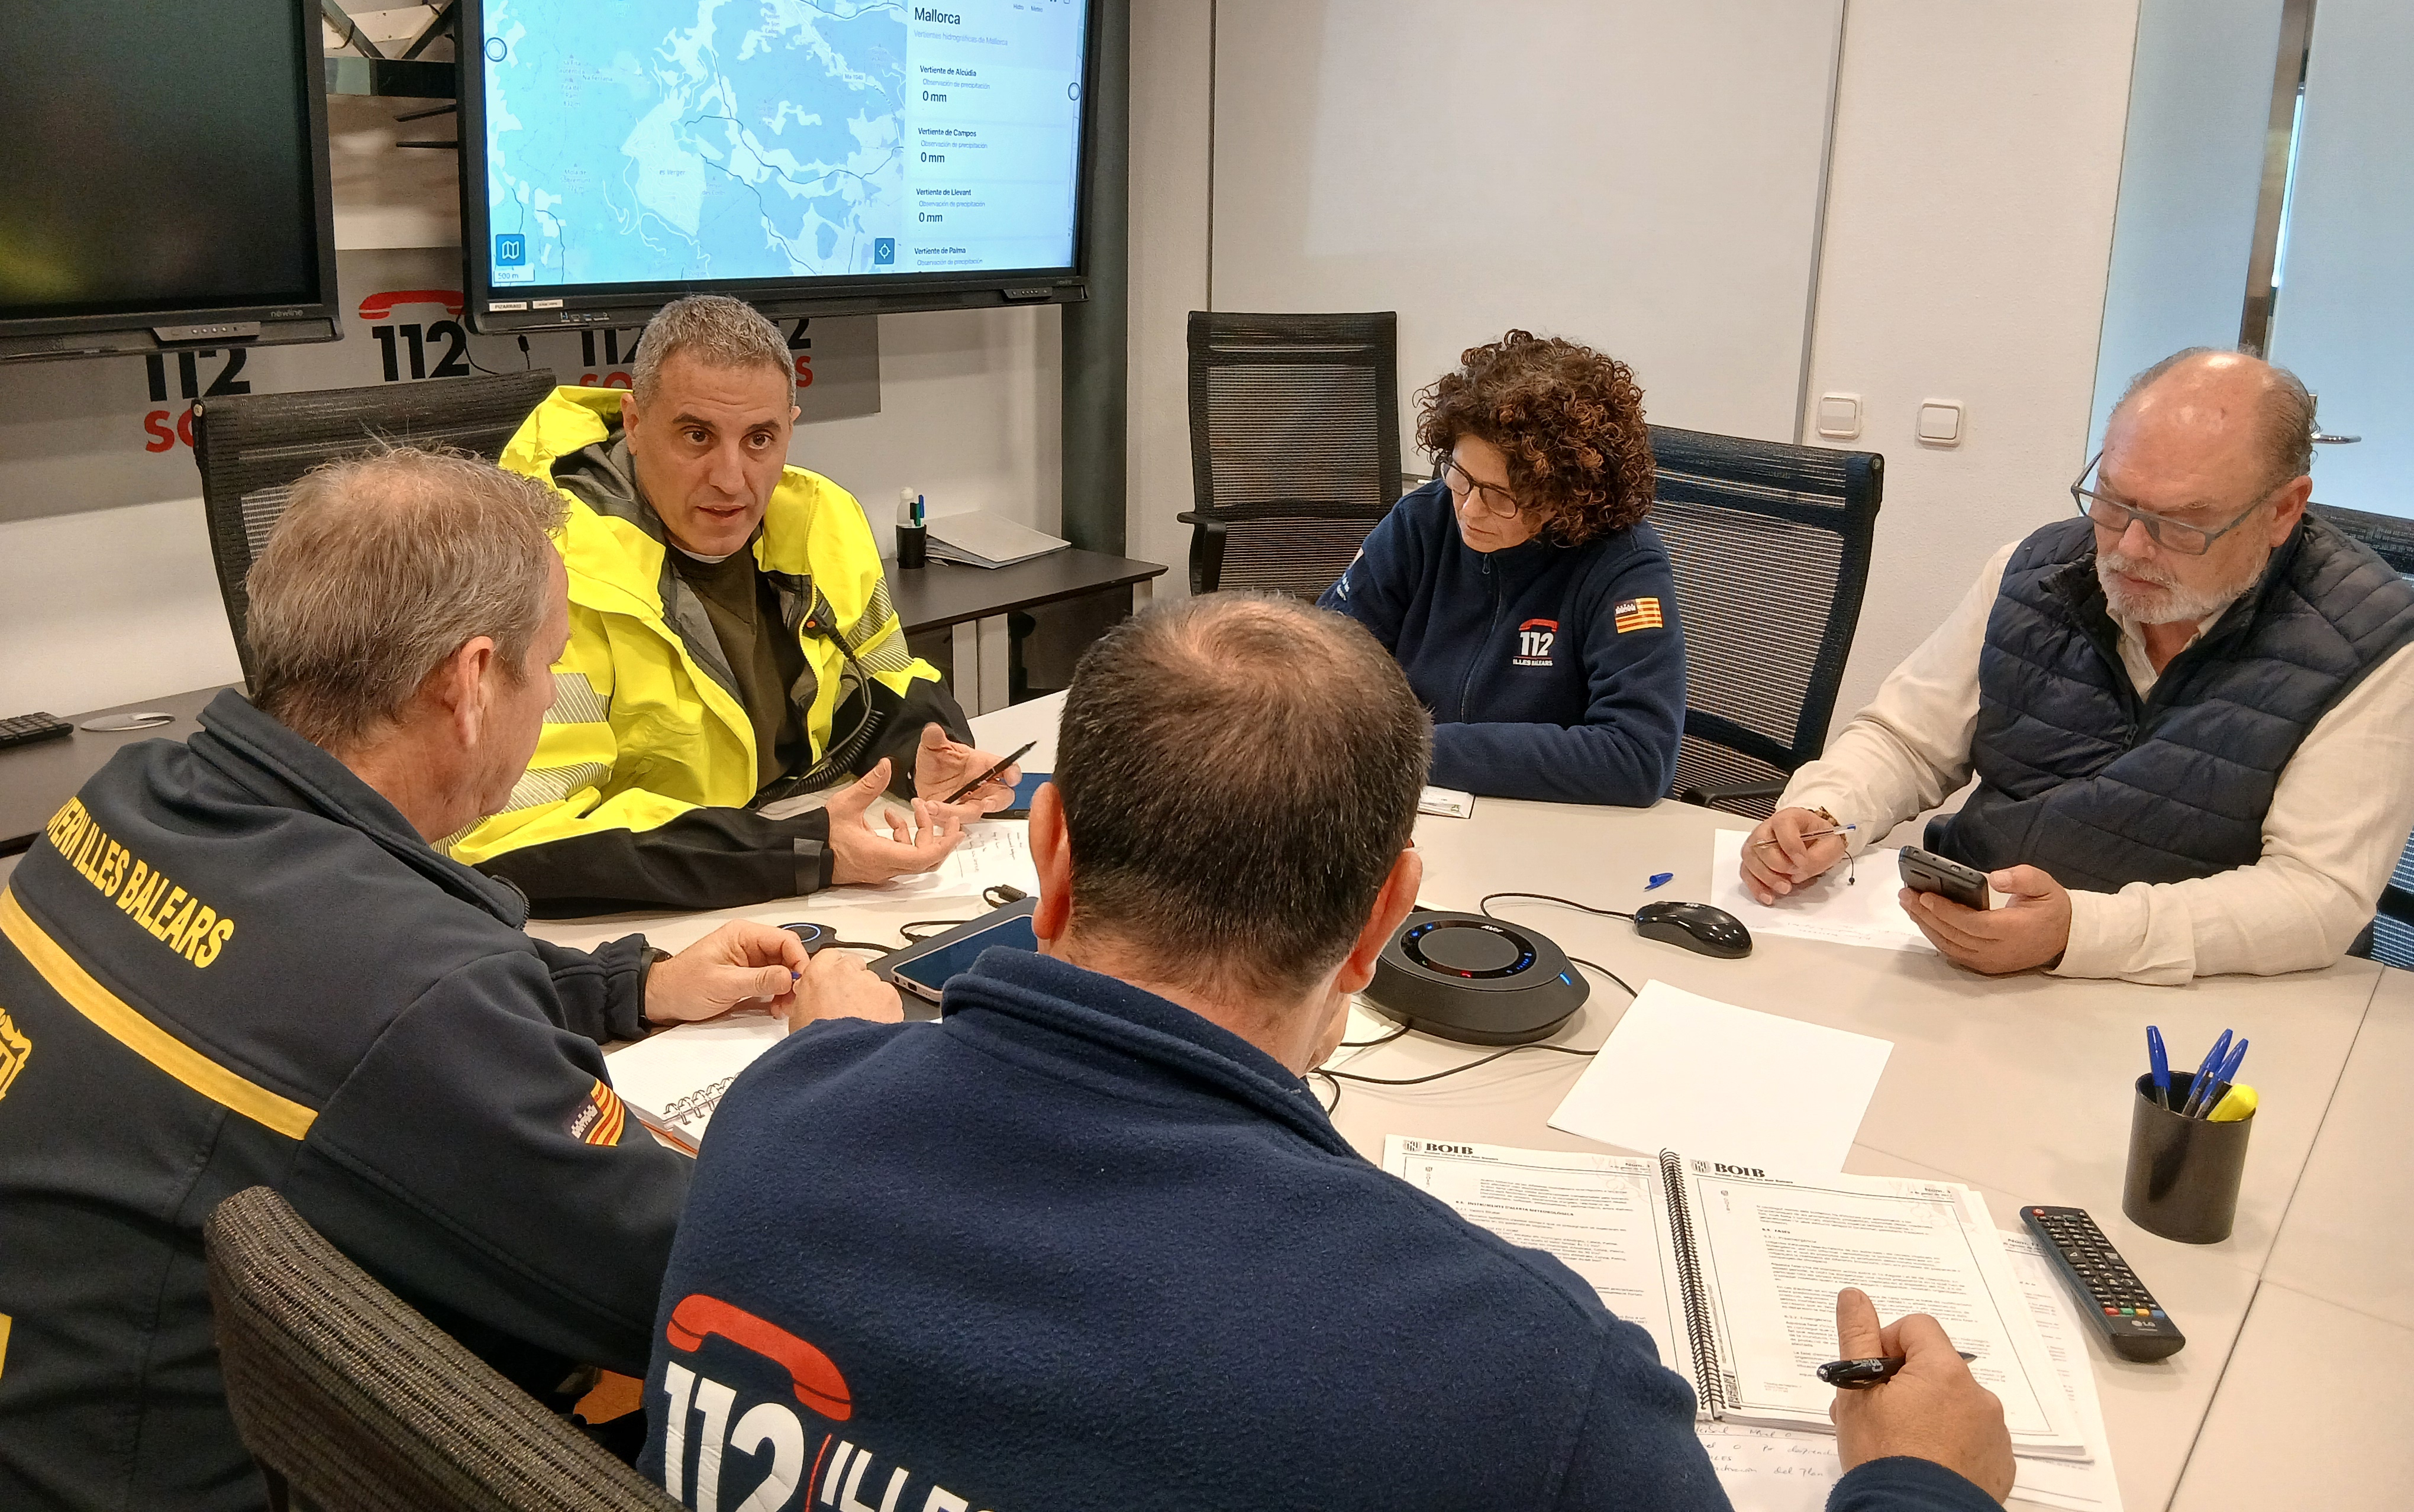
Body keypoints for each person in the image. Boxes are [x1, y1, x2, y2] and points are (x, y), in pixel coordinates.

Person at [636, 594, 2012, 1512]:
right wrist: (1922, 1487)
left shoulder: (771, 1125)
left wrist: (846, 1058)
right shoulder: (1526, 1389)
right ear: (1381, 924)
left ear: (1047, 859)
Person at [0, 448, 896, 1512]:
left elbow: (305, 992)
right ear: (470, 684)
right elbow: (704, 1279)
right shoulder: (415, 997)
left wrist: (631, 983)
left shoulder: (132, 798)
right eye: (548, 667)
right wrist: (840, 1065)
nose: (550, 699)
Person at [1745, 349, 2414, 985]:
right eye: (2114, 502)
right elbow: (1907, 741)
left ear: (2283, 510)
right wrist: (1826, 812)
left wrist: (2081, 933)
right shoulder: (2036, 570)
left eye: (2182, 524)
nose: (2128, 547)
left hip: (2199, 1005)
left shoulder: (2372, 641)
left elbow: (2316, 897)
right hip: (1968, 960)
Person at [447, 293, 1021, 915]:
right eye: (697, 435)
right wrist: (798, 852)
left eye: (759, 439)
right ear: (635, 424)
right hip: (635, 917)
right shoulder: (543, 571)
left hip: (783, 868)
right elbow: (507, 833)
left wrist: (923, 760)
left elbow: (887, 676)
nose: (731, 477)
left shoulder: (822, 518)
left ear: (790, 428)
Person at [1320, 329, 1684, 805]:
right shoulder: (1422, 523)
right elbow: (1322, 664)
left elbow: (1637, 757)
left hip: (1548, 826)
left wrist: (1413, 750)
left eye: (1501, 496)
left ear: (1567, 498)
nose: (1469, 511)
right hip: (1415, 808)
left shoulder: (1622, 565)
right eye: (1461, 478)